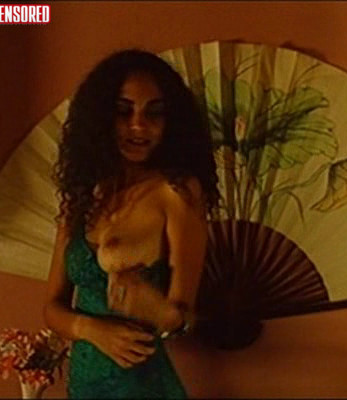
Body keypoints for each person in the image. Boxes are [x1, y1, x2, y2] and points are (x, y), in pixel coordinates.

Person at [44, 49, 219, 398]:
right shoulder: (82, 195)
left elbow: (183, 321)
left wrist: (157, 310)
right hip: (83, 386)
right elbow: (51, 308)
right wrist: (91, 330)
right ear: (100, 118)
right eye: (124, 111)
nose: (139, 126)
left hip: (142, 387)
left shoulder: (176, 191)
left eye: (154, 113)